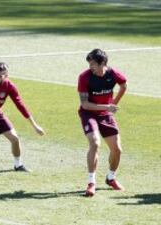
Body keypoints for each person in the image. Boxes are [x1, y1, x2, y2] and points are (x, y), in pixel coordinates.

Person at [78, 49, 127, 197]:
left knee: (117, 149)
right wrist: (108, 107)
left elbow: (124, 85)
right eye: (89, 63)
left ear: (103, 63)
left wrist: (114, 104)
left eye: (93, 64)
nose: (90, 67)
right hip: (88, 114)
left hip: (105, 115)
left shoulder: (113, 74)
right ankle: (91, 182)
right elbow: (85, 104)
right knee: (95, 143)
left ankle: (111, 178)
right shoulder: (84, 77)